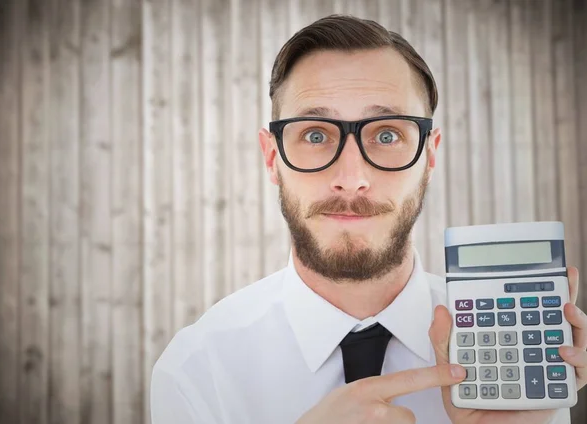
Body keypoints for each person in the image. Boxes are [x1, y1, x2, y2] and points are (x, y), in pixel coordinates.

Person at [150, 15, 587, 423]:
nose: (352, 178)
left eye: (387, 134)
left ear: (430, 155)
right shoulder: (195, 371)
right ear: (272, 157)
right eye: (316, 135)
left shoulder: (520, 362)